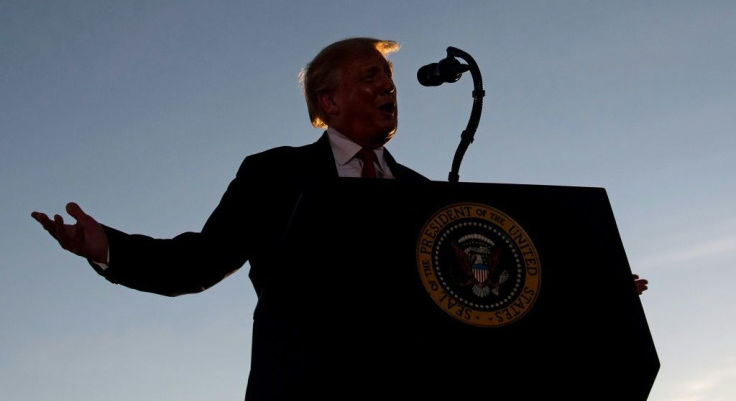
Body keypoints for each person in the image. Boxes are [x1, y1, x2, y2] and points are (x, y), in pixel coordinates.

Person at [31, 36, 649, 398]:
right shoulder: (273, 173)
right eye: (372, 75)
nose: (390, 86)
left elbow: (480, 298)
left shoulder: (422, 197)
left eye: (392, 78)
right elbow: (197, 263)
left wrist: (593, 296)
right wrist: (107, 246)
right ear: (326, 101)